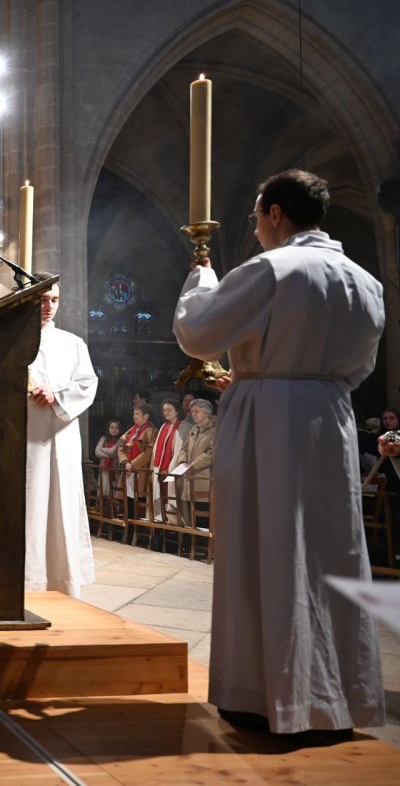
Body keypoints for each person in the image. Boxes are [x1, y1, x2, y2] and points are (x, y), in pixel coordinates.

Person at [174, 169, 384, 737]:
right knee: (331, 553)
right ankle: (332, 699)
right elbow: (360, 365)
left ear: (275, 214)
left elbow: (199, 332)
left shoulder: (272, 267)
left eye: (256, 216)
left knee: (265, 547)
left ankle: (263, 696)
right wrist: (280, 373)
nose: (255, 228)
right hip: (330, 417)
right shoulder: (364, 281)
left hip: (269, 425)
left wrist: (200, 278)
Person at [25, 278, 98, 597]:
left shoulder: (72, 343)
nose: (49, 306)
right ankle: (27, 581)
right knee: (30, 504)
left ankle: (62, 581)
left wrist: (56, 394)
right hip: (26, 435)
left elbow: (87, 385)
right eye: (43, 299)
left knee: (62, 504)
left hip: (61, 435)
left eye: (54, 299)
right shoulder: (13, 341)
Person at [176, 399, 216, 527]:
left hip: (204, 480)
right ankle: (193, 538)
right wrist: (182, 462)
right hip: (189, 479)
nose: (193, 414)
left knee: (203, 518)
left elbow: (213, 453)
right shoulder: (194, 429)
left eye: (196, 411)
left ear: (206, 413)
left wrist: (194, 465)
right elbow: (184, 449)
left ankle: (201, 540)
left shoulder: (215, 430)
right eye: (192, 411)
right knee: (191, 519)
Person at [150, 399, 191, 525]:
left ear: (177, 411)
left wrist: (170, 468)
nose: (166, 412)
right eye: (164, 410)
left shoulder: (185, 427)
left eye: (169, 410)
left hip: (174, 469)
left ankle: (178, 525)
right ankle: (162, 522)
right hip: (160, 469)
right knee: (162, 497)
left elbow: (181, 450)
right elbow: (157, 448)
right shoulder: (164, 426)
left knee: (173, 497)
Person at [117, 403, 155, 519]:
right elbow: (121, 448)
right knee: (127, 499)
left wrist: (132, 465)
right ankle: (128, 524)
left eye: (137, 414)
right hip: (128, 469)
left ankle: (138, 526)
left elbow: (148, 453)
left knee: (139, 499)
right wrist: (125, 463)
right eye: (134, 414)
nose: (134, 416)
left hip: (141, 470)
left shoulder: (152, 430)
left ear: (146, 416)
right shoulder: (131, 430)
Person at [94, 419, 122, 497]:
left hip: (115, 469)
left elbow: (113, 452)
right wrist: (109, 455)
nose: (114, 430)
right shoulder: (103, 438)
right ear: (108, 429)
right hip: (104, 468)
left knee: (114, 492)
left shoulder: (121, 440)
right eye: (112, 427)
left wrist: (102, 449)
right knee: (103, 491)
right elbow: (97, 452)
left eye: (116, 428)